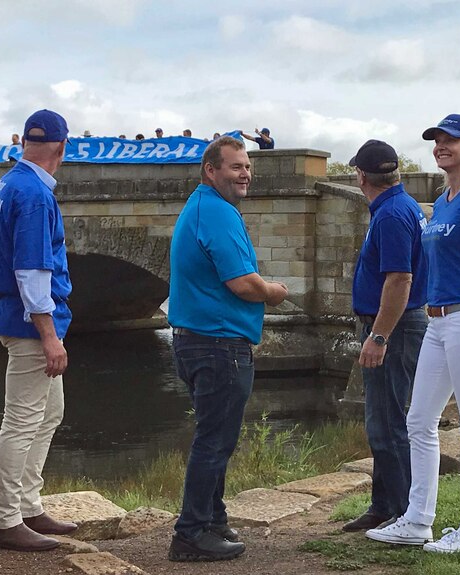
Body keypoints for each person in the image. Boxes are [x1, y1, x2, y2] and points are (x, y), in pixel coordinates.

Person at [367, 114, 460, 553]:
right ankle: (417, 520)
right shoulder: (442, 199)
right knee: (419, 421)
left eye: (451, 140)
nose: (441, 146)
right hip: (438, 321)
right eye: (437, 140)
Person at [167, 137, 288, 561]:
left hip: (199, 342)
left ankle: (212, 519)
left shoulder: (202, 206)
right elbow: (242, 283)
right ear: (211, 171)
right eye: (235, 166)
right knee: (214, 441)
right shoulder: (218, 213)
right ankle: (191, 532)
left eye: (247, 166)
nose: (245, 174)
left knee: (215, 437)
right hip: (218, 344)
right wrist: (274, 292)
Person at [0, 110, 77, 552]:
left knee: (48, 412)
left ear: (25, 143)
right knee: (21, 421)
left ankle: (28, 506)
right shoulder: (36, 194)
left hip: (11, 315)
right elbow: (33, 270)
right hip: (30, 324)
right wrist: (49, 333)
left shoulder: (8, 183)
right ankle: (3, 520)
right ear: (61, 148)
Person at [341, 140, 428, 532]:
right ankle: (384, 505)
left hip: (395, 327)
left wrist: (378, 336)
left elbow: (399, 279)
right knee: (382, 418)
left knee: (388, 421)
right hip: (396, 324)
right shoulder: (400, 206)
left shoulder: (392, 214)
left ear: (361, 176)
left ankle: (403, 511)